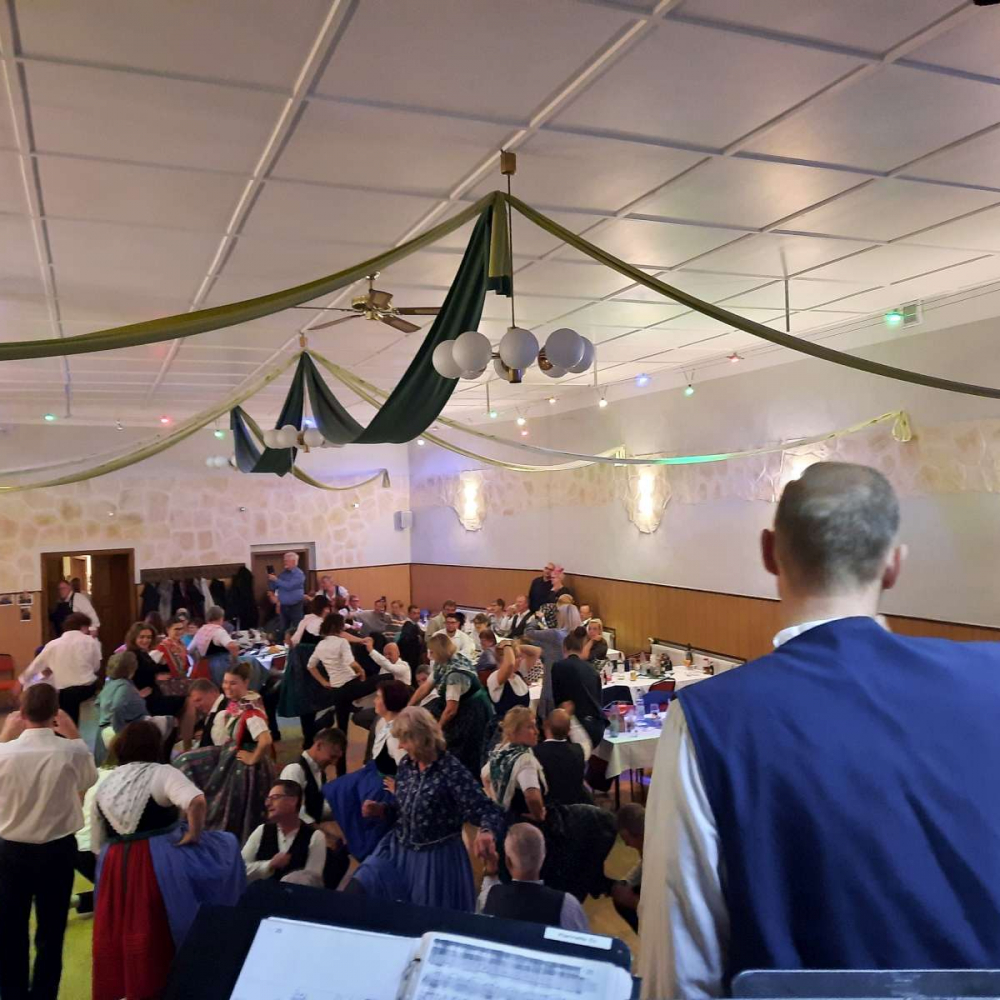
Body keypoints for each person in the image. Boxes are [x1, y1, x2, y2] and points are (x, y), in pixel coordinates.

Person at [640, 462, 1000, 999]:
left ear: (769, 552)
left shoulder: (708, 719)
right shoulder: (991, 679)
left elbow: (680, 972)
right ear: (894, 564)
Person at [91, 721, 244, 1000]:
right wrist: (194, 834)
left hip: (114, 864)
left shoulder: (107, 782)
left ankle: (131, 989)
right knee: (163, 923)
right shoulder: (162, 772)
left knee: (121, 929)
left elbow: (97, 844)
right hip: (157, 860)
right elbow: (196, 801)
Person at [350, 707, 503, 909]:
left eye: (404, 741)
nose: (401, 746)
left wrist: (486, 832)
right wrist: (382, 809)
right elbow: (404, 807)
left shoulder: (451, 770)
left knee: (422, 916)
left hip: (434, 863)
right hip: (397, 851)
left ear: (420, 739)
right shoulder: (407, 765)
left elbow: (488, 810)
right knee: (360, 886)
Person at [0, 684, 97, 1000]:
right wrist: (74, 734)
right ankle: (44, 995)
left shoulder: (4, 753)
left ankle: (12, 994)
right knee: (51, 931)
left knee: (10, 929)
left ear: (21, 713)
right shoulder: (71, 751)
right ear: (56, 713)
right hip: (57, 851)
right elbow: (89, 779)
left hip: (11, 852)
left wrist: (5, 736)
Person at [174, 663, 275, 842]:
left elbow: (265, 740)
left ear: (246, 682)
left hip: (244, 766)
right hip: (229, 755)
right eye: (225, 682)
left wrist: (252, 758)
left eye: (233, 683)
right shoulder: (238, 703)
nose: (227, 687)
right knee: (185, 762)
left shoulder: (250, 709)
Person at [324, 680, 410, 861]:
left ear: (389, 702)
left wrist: (398, 788)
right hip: (373, 771)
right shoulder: (383, 722)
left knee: (368, 819)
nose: (374, 701)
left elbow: (406, 766)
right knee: (342, 791)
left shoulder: (396, 735)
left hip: (384, 781)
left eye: (378, 697)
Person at [478, 823, 589, 932]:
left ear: (508, 861)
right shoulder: (567, 904)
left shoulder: (488, 897)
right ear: (543, 855)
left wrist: (491, 868)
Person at [412, 633, 494, 775]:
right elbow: (426, 687)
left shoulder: (455, 674)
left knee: (465, 749)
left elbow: (451, 710)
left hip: (473, 710)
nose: (429, 655)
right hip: (460, 703)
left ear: (439, 652)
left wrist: (438, 729)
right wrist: (409, 706)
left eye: (432, 652)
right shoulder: (443, 662)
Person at [305, 614, 379, 757]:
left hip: (336, 690)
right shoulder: (342, 642)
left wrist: (323, 682)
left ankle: (340, 764)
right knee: (385, 678)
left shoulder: (321, 645)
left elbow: (310, 666)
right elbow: (351, 663)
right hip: (349, 686)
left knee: (342, 729)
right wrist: (362, 671)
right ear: (338, 627)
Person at [20, 611, 101, 725]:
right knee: (71, 698)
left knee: (64, 699)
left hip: (64, 691)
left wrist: (21, 680)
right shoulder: (90, 641)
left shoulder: (52, 645)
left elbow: (35, 666)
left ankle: (63, 727)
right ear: (83, 627)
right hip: (88, 687)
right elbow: (96, 667)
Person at [242, 781, 327, 886]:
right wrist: (269, 865)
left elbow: (312, 880)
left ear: (293, 801)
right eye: (268, 799)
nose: (268, 804)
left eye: (275, 797)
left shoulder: (315, 836)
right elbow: (240, 869)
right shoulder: (262, 830)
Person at [94, 651, 173, 763]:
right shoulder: (124, 687)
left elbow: (98, 703)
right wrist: (120, 731)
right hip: (128, 728)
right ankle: (163, 761)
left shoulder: (110, 684)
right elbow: (117, 707)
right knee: (171, 722)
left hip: (110, 728)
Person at [125, 621, 196, 742]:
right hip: (147, 701)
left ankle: (182, 740)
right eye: (142, 637)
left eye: (148, 637)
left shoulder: (143, 654)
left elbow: (157, 670)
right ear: (134, 637)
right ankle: (186, 743)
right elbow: (124, 678)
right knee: (188, 702)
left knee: (188, 700)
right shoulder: (132, 655)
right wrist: (137, 693)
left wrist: (163, 665)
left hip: (155, 696)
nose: (146, 640)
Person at [482, 706, 546, 823]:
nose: (537, 731)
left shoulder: (501, 753)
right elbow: (532, 798)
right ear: (514, 732)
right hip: (524, 825)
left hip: (502, 822)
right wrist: (538, 815)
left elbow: (484, 776)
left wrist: (496, 804)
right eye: (530, 727)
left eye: (535, 726)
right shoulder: (525, 760)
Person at [551, 627, 607, 748]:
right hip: (597, 726)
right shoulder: (591, 669)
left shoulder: (559, 666)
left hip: (578, 726)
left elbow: (558, 700)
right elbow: (598, 699)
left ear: (564, 648)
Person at [533, 708, 590, 806]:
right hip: (576, 807)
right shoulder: (579, 750)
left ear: (545, 726)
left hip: (550, 809)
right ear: (569, 731)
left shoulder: (535, 753)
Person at [611, 803, 644, 934]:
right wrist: (626, 882)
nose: (626, 844)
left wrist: (633, 902)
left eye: (625, 839)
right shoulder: (648, 841)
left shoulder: (661, 855)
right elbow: (644, 865)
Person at [190, 605, 239, 683]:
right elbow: (232, 646)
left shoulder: (200, 631)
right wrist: (235, 662)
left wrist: (196, 660)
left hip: (204, 667)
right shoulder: (219, 631)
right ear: (221, 618)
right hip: (220, 665)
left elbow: (189, 650)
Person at [268, 552, 307, 632]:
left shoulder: (299, 574)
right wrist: (271, 579)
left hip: (295, 606)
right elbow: (275, 586)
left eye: (286, 561)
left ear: (293, 561)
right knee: (283, 628)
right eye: (284, 560)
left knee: (297, 628)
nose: (284, 562)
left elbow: (289, 586)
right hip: (283, 606)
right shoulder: (284, 574)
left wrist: (276, 580)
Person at [188, 678, 227, 747]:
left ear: (212, 693)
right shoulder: (212, 710)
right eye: (194, 702)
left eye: (199, 700)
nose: (196, 706)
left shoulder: (224, 710)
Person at [397, 604, 426, 672]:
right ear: (409, 614)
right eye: (414, 613)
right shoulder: (408, 626)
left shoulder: (415, 625)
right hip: (409, 657)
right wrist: (417, 638)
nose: (417, 615)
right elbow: (405, 641)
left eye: (418, 613)